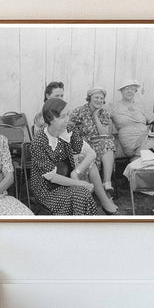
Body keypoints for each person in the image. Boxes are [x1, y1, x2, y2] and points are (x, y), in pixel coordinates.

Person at [34, 82, 118, 214]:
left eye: (62, 95)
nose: (60, 98)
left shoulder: (67, 126)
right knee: (82, 187)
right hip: (49, 180)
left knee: (88, 169)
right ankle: (100, 203)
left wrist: (76, 171)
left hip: (67, 164)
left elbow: (90, 150)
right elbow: (50, 172)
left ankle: (97, 208)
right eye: (57, 95)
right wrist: (81, 182)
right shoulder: (41, 130)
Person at [31, 98, 99, 216]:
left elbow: (91, 153)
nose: (67, 119)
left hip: (68, 182)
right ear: (50, 118)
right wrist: (81, 183)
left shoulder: (68, 131)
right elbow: (52, 177)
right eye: (63, 117)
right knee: (81, 194)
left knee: (82, 194)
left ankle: (83, 229)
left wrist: (76, 172)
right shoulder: (39, 142)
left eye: (68, 114)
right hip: (47, 189)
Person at [69, 86, 116, 194]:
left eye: (101, 98)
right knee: (104, 144)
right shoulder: (79, 111)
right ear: (89, 98)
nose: (99, 100)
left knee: (107, 143)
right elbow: (68, 128)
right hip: (82, 144)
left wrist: (95, 115)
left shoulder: (104, 113)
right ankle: (93, 188)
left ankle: (107, 182)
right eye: (96, 97)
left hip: (98, 143)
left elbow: (103, 133)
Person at [109, 79, 154, 157]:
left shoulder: (140, 106)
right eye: (126, 88)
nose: (129, 91)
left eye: (132, 89)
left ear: (135, 92)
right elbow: (103, 116)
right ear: (121, 91)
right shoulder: (114, 107)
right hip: (130, 141)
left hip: (147, 137)